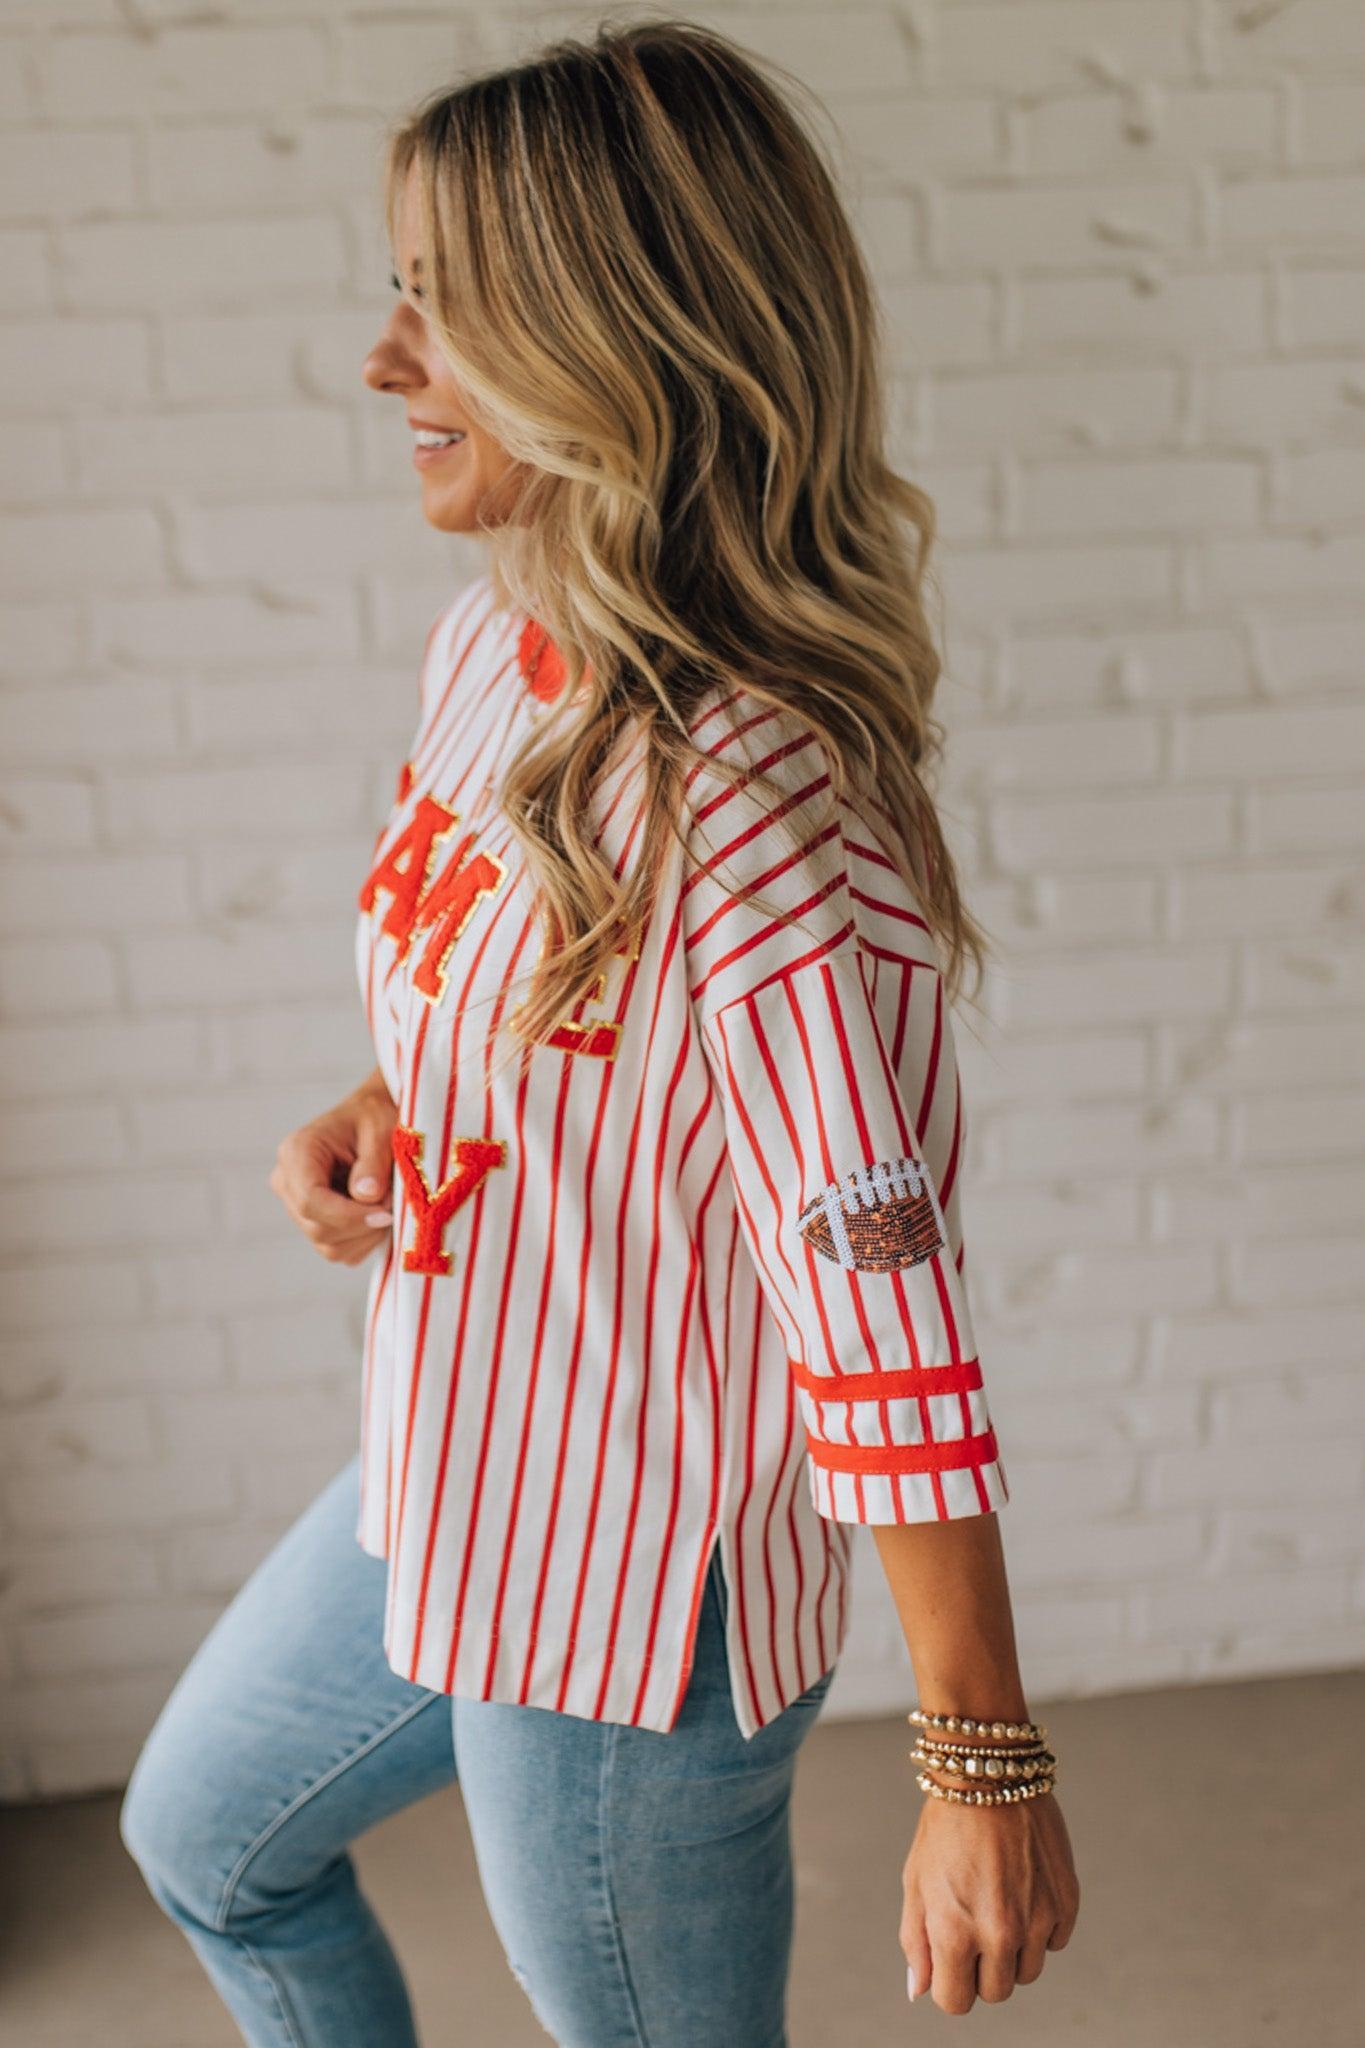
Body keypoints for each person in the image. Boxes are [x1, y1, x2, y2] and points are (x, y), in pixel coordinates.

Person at [119, 18, 1080, 2043]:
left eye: (445, 308)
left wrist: (978, 1756)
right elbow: (542, 1007)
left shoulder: (747, 799)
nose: (383, 360)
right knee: (206, 1836)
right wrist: (389, 1099)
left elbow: (874, 1295)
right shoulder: (494, 646)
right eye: (397, 289)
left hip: (631, 1600)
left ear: (618, 347)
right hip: (450, 1471)